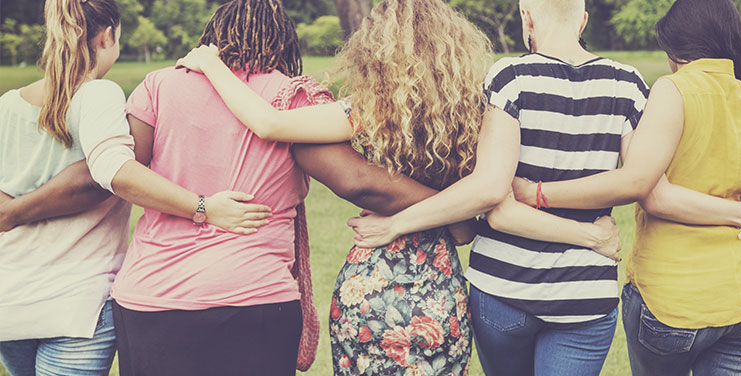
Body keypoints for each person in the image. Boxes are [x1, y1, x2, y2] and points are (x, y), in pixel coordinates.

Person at [177, 0, 627, 374]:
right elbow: (487, 195)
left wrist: (211, 64)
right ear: (455, 49)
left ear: (375, 49)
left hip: (370, 286)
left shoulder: (367, 110)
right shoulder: (474, 113)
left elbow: (269, 123)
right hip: (439, 288)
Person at [347, 1, 741, 375]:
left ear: (526, 17)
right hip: (586, 293)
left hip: (503, 289)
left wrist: (395, 225)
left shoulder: (510, 76)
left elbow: (490, 190)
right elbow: (646, 182)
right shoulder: (628, 83)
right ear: (583, 21)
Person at [503, 0, 741, 374]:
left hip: (674, 300)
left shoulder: (674, 91)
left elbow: (645, 187)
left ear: (676, 49)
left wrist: (538, 193)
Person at [0, 0, 265, 375]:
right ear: (108, 36)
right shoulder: (98, 94)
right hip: (76, 306)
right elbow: (112, 170)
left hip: (9, 303)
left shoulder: (7, 105)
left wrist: (12, 211)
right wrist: (202, 206)